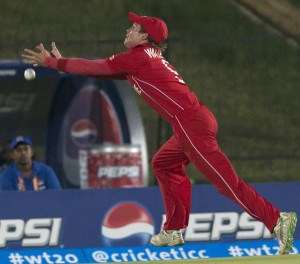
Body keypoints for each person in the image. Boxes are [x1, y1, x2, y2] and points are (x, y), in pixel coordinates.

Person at [22, 11, 296, 254]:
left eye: (135, 28)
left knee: (226, 183)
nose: (128, 30)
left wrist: (53, 63)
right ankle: (174, 230)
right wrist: (64, 63)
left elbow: (95, 67)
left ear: (145, 37)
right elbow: (102, 72)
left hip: (191, 125)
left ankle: (276, 220)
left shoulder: (137, 58)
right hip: (193, 121)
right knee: (163, 164)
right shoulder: (146, 59)